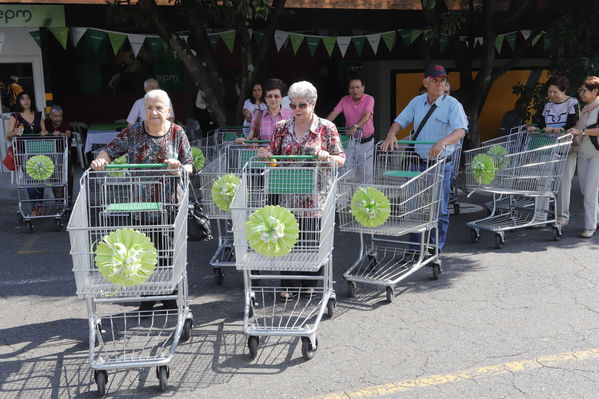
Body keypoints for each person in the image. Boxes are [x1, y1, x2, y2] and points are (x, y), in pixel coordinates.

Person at [92, 89, 193, 312]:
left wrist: (179, 169)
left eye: (159, 107)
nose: (154, 112)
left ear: (168, 111)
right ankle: (147, 298)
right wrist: (101, 160)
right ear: (143, 110)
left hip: (171, 203)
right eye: (149, 108)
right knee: (143, 250)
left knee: (169, 251)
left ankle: (169, 297)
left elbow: (190, 164)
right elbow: (109, 151)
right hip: (141, 204)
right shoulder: (133, 132)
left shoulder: (177, 132)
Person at [257, 81, 345, 301]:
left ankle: (309, 283)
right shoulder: (282, 127)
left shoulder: (326, 128)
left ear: (313, 104)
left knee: (311, 239)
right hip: (287, 193)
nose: (297, 110)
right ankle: (287, 283)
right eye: (294, 105)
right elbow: (273, 155)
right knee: (286, 238)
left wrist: (328, 157)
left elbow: (341, 159)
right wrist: (265, 154)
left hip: (315, 196)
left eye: (302, 105)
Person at [381, 64, 468, 253]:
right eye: (435, 80)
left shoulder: (453, 105)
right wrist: (391, 134)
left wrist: (442, 142)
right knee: (413, 207)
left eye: (442, 81)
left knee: (440, 209)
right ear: (425, 82)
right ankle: (414, 249)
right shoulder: (417, 102)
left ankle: (435, 248)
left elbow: (460, 130)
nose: (439, 84)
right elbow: (400, 121)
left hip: (440, 164)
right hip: (416, 161)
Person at [529, 76, 579, 226]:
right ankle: (540, 216)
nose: (551, 95)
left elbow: (573, 124)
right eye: (549, 92)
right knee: (542, 180)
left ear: (563, 91)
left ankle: (563, 216)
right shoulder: (548, 105)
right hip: (548, 145)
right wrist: (534, 127)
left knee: (564, 183)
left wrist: (556, 130)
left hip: (565, 147)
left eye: (555, 92)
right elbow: (542, 123)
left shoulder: (572, 103)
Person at [7, 92, 49, 216]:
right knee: (30, 179)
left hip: (39, 150)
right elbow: (8, 136)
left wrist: (44, 132)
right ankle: (34, 207)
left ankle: (40, 204)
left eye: (28, 98)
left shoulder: (38, 115)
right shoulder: (15, 116)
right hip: (23, 152)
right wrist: (15, 132)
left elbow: (44, 130)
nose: (26, 101)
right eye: (22, 99)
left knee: (40, 178)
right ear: (19, 102)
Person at [567, 76, 599, 238]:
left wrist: (582, 132)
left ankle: (590, 226)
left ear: (595, 91)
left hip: (597, 154)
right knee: (585, 190)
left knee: (591, 191)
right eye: (580, 90)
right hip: (583, 152)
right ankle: (596, 218)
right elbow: (578, 129)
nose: (581, 93)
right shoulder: (586, 109)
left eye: (584, 90)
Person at [326, 78, 375, 182]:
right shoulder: (344, 100)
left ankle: (365, 197)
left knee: (365, 172)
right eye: (352, 87)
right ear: (349, 90)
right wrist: (323, 126)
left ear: (363, 88)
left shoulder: (369, 99)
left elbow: (367, 115)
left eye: (357, 87)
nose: (355, 90)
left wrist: (355, 127)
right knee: (347, 170)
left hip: (366, 141)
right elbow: (334, 113)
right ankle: (349, 196)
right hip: (351, 140)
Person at [236, 78, 292, 142]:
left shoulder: (290, 115)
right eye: (270, 96)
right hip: (262, 151)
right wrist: (243, 141)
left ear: (281, 98)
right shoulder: (257, 115)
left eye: (276, 96)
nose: (273, 99)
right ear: (265, 98)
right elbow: (250, 138)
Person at [44, 105, 73, 208]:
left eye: (60, 116)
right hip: (50, 154)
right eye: (55, 116)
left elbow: (68, 134)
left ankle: (68, 200)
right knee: (54, 178)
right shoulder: (45, 123)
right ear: (50, 116)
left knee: (66, 177)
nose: (58, 118)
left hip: (63, 154)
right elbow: (41, 131)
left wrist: (60, 133)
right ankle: (59, 201)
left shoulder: (66, 124)